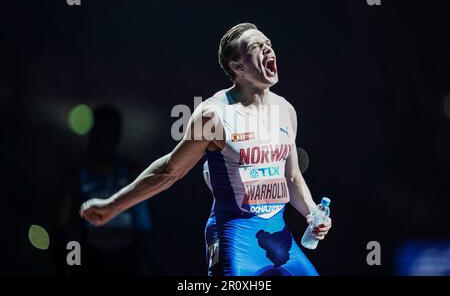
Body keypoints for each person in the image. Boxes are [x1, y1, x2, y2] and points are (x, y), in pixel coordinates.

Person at [80, 23, 332, 276]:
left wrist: (312, 213)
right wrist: (113, 205)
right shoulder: (214, 115)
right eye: (257, 47)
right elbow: (169, 171)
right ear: (237, 67)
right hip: (234, 238)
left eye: (269, 44)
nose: (268, 49)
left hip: (277, 237)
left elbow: (291, 176)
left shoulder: (285, 110)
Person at [58, 104, 158, 275]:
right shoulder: (74, 179)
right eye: (103, 131)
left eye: (112, 132)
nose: (107, 138)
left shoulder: (132, 174)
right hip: (90, 262)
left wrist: (152, 267)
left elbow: (144, 226)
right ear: (93, 132)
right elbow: (63, 228)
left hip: (126, 262)